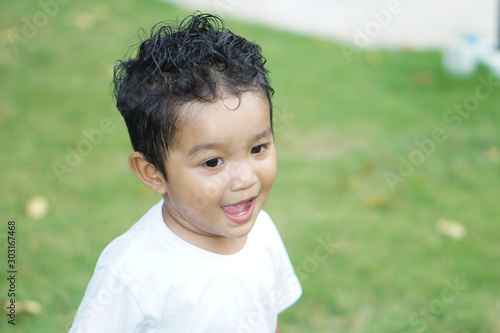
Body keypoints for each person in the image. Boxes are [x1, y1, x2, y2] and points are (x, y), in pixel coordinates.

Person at [69, 12, 302, 333]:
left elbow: (267, 320)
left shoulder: (261, 232)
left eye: (257, 149)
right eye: (212, 162)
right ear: (152, 172)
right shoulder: (130, 274)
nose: (245, 179)